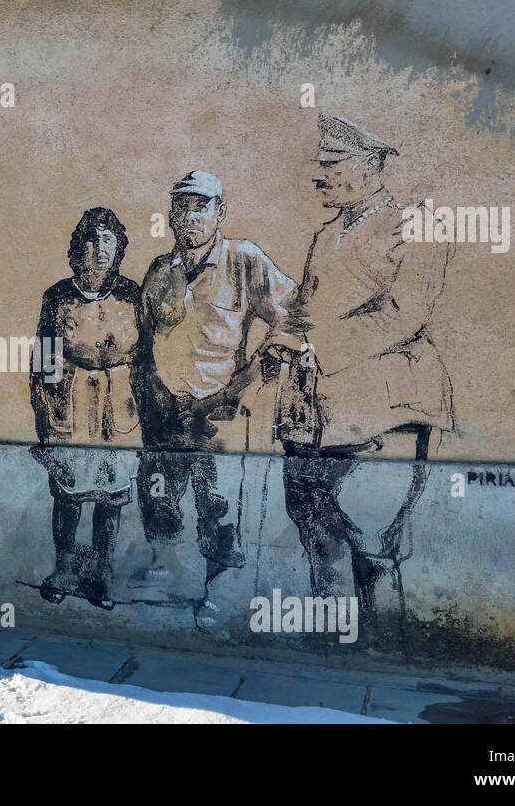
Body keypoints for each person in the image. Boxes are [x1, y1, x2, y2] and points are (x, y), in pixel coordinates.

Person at [277, 114, 455, 628]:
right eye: (321, 163)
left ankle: (378, 649)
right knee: (315, 529)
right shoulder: (326, 235)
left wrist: (316, 343)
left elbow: (406, 311)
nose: (320, 174)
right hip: (318, 413)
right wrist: (281, 340)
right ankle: (332, 645)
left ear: (373, 164)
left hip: (389, 405)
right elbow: (304, 309)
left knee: (372, 536)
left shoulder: (414, 224)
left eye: (333, 163)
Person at [134, 170, 301, 602]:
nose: (191, 217)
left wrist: (241, 387)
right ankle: (166, 589)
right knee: (159, 504)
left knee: (218, 509)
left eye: (201, 207)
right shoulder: (159, 271)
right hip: (165, 416)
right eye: (182, 208)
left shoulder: (244, 260)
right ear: (171, 216)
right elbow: (144, 343)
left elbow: (294, 320)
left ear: (219, 212)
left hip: (219, 415)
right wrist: (151, 397)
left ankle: (216, 597)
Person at [29, 207, 141, 610]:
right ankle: (64, 567)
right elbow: (41, 364)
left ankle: (100, 573)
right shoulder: (57, 297)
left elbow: (145, 358)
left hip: (120, 409)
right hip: (70, 405)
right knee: (69, 493)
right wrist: (45, 420)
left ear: (118, 249)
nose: (97, 250)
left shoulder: (132, 295)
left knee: (110, 495)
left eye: (106, 240)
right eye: (90, 240)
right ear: (78, 248)